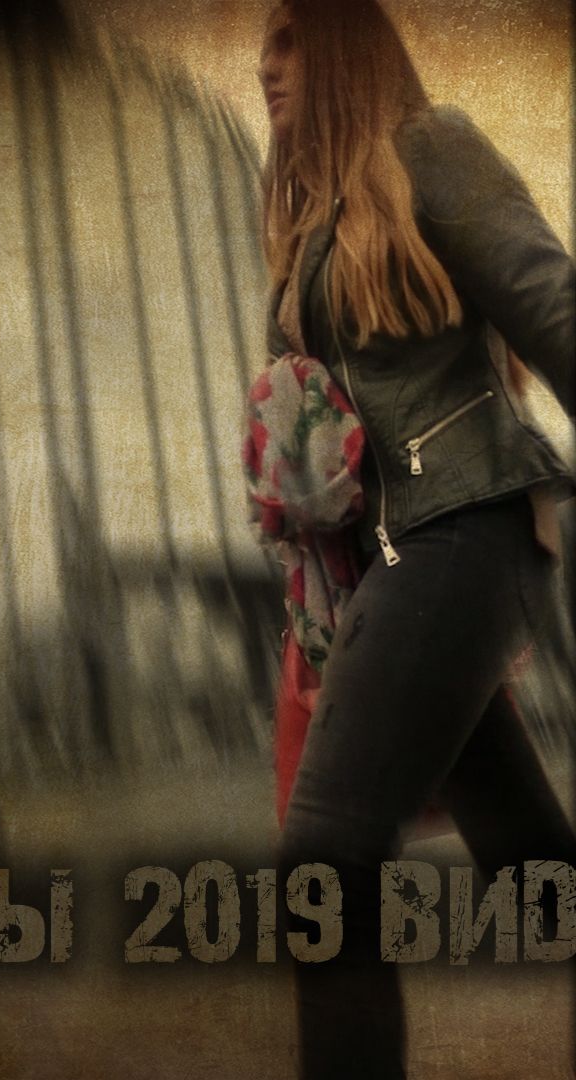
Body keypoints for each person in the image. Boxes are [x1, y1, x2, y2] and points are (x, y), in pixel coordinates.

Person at [255, 1, 576, 1077]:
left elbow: (551, 305)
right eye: (261, 47)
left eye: (291, 40)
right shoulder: (315, 221)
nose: (267, 65)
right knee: (536, 877)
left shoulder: (428, 148)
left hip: (464, 533)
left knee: (325, 859)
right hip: (389, 564)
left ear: (346, 49)